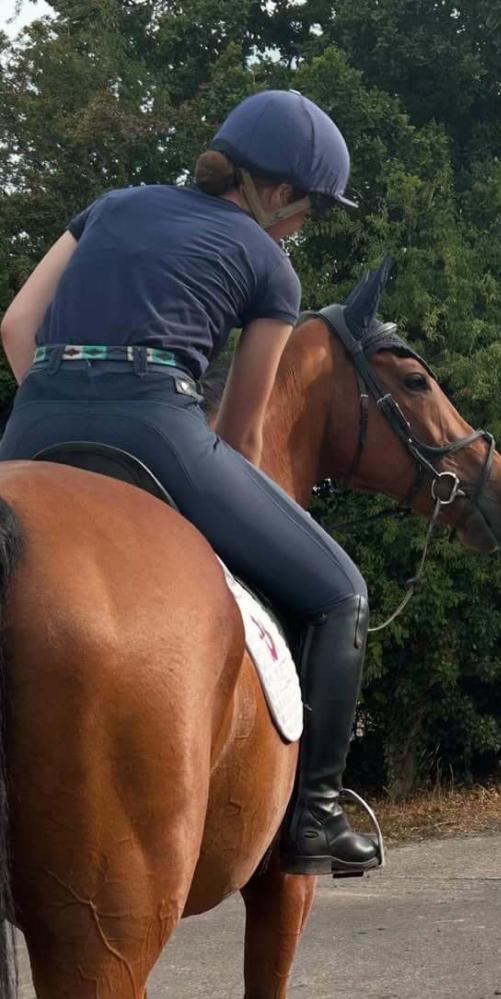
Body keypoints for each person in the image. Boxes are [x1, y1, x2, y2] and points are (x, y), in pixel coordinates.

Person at [0, 90, 380, 877]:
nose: (303, 226)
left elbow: (14, 325)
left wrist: (62, 399)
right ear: (277, 193)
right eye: (310, 210)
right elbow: (241, 433)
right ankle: (314, 815)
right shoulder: (271, 266)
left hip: (32, 425)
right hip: (156, 428)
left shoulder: (111, 206)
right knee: (342, 592)